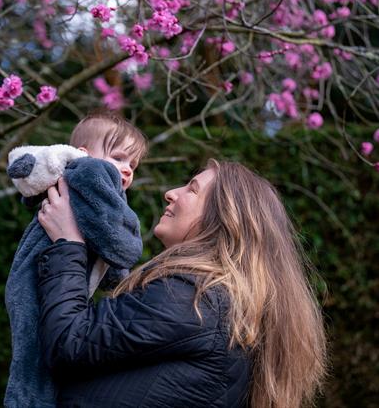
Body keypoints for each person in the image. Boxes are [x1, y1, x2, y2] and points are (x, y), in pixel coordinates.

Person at [36, 159, 327, 408]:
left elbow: (67, 342)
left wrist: (68, 243)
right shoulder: (217, 302)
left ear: (224, 219)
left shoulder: (192, 298)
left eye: (193, 189)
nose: (170, 193)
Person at [4, 113, 149, 407]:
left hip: (47, 278)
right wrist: (129, 250)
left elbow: (99, 237)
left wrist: (115, 274)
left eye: (133, 165)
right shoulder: (90, 172)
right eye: (119, 158)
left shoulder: (92, 185)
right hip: (40, 279)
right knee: (35, 362)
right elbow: (120, 243)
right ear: (84, 153)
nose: (127, 170)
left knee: (40, 355)